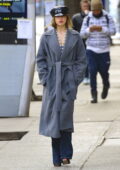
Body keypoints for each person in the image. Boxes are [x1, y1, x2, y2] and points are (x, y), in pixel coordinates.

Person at [37, 6, 87, 167]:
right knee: (54, 120)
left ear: (67, 18)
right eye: (58, 17)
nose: (60, 19)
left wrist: (75, 78)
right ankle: (56, 156)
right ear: (54, 19)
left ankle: (65, 154)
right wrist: (45, 78)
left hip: (68, 80)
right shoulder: (46, 36)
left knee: (65, 118)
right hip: (52, 81)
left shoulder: (75, 36)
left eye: (63, 17)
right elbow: (41, 59)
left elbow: (82, 60)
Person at [80, 0, 116, 103]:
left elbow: (113, 32)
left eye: (97, 10)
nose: (95, 12)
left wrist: (102, 29)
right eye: (94, 10)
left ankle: (106, 84)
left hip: (104, 50)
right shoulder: (87, 18)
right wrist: (89, 30)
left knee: (104, 72)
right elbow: (82, 34)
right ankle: (94, 95)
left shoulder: (107, 17)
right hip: (91, 49)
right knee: (92, 71)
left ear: (101, 9)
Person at [72, 0, 90, 85]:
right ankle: (82, 76)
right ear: (81, 6)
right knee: (80, 60)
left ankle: (87, 76)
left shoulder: (91, 16)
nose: (85, 7)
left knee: (88, 59)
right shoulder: (76, 17)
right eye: (84, 6)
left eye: (87, 6)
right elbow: (73, 30)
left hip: (90, 42)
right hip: (80, 42)